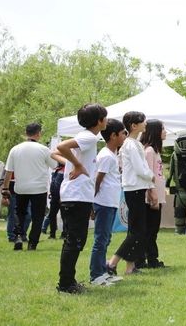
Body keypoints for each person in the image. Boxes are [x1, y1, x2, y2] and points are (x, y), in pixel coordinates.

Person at [55, 104, 108, 294]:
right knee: (75, 240)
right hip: (76, 196)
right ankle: (66, 284)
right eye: (105, 117)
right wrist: (77, 164)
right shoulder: (88, 137)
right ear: (99, 121)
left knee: (73, 240)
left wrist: (74, 163)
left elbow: (59, 151)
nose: (107, 121)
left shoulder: (87, 137)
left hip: (76, 195)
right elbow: (60, 147)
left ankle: (67, 281)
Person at [107, 111, 154, 276]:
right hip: (133, 189)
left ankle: (130, 267)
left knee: (135, 230)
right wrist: (152, 177)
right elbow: (140, 169)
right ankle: (112, 262)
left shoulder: (135, 143)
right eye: (143, 121)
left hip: (137, 188)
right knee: (137, 231)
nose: (145, 124)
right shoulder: (130, 145)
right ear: (134, 125)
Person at [1, 123, 58, 251]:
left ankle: (18, 237)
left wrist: (5, 190)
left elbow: (8, 172)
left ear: (26, 133)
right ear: (38, 134)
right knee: (37, 217)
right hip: (39, 189)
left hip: (21, 187)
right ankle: (32, 243)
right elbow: (54, 165)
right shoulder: (44, 149)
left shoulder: (15, 149)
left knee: (19, 213)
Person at [89, 119, 126, 286]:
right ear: (113, 135)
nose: (125, 136)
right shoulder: (105, 156)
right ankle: (96, 275)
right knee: (101, 239)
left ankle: (103, 272)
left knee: (106, 238)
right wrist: (92, 203)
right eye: (123, 133)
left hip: (110, 203)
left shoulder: (112, 155)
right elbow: (97, 181)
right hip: (102, 203)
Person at [136, 119, 167, 269]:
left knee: (152, 229)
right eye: (162, 129)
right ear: (155, 132)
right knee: (150, 230)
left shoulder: (155, 150)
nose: (165, 132)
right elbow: (147, 174)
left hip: (157, 195)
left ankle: (150, 259)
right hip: (151, 197)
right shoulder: (149, 151)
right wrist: (152, 194)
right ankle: (149, 260)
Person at [42, 160, 66, 239]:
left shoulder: (66, 170)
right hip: (54, 196)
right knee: (52, 215)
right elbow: (53, 183)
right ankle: (52, 234)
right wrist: (50, 193)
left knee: (64, 216)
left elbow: (63, 185)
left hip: (62, 197)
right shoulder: (56, 170)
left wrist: (62, 196)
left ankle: (64, 234)